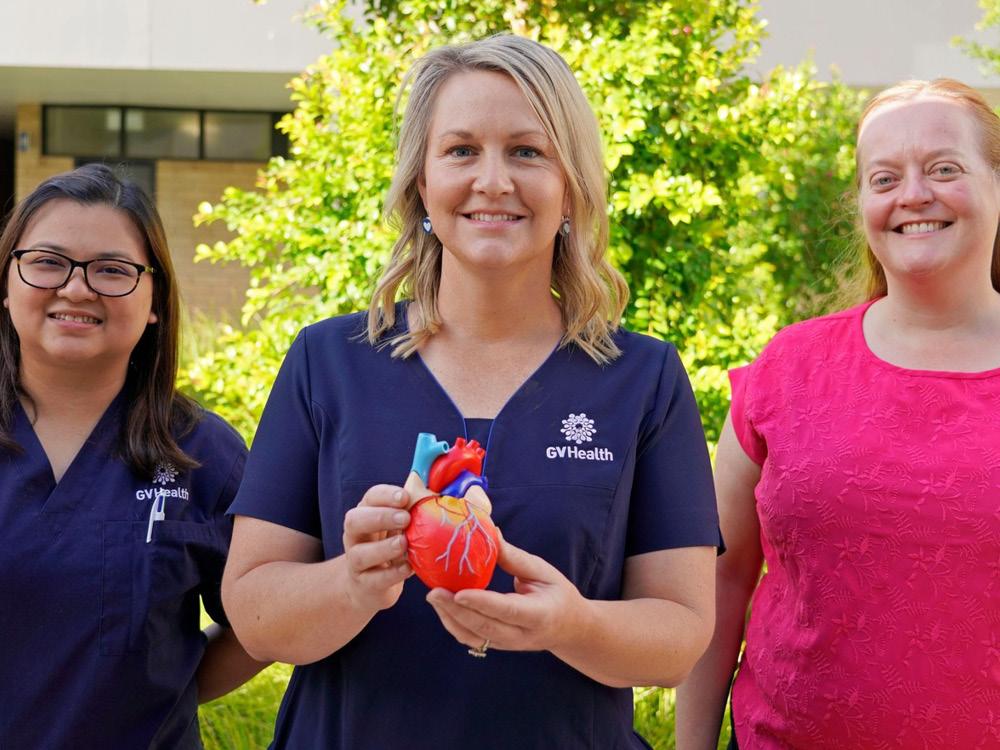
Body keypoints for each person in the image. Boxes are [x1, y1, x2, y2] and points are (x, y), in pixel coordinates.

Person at [223, 34, 721, 749]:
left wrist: (570, 625)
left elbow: (678, 635)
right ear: (421, 184)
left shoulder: (641, 379)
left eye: (527, 151)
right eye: (460, 151)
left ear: (571, 186)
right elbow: (253, 614)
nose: (493, 180)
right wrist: (353, 582)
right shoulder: (326, 362)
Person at [675, 78, 1000, 749]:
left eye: (944, 169)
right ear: (862, 204)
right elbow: (722, 574)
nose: (913, 194)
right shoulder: (788, 368)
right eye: (885, 177)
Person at [0, 164, 266, 748]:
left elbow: (263, 621)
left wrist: (160, 695)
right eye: (46, 261)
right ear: (7, 281)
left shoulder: (203, 454)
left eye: (112, 270)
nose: (76, 288)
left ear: (155, 302)